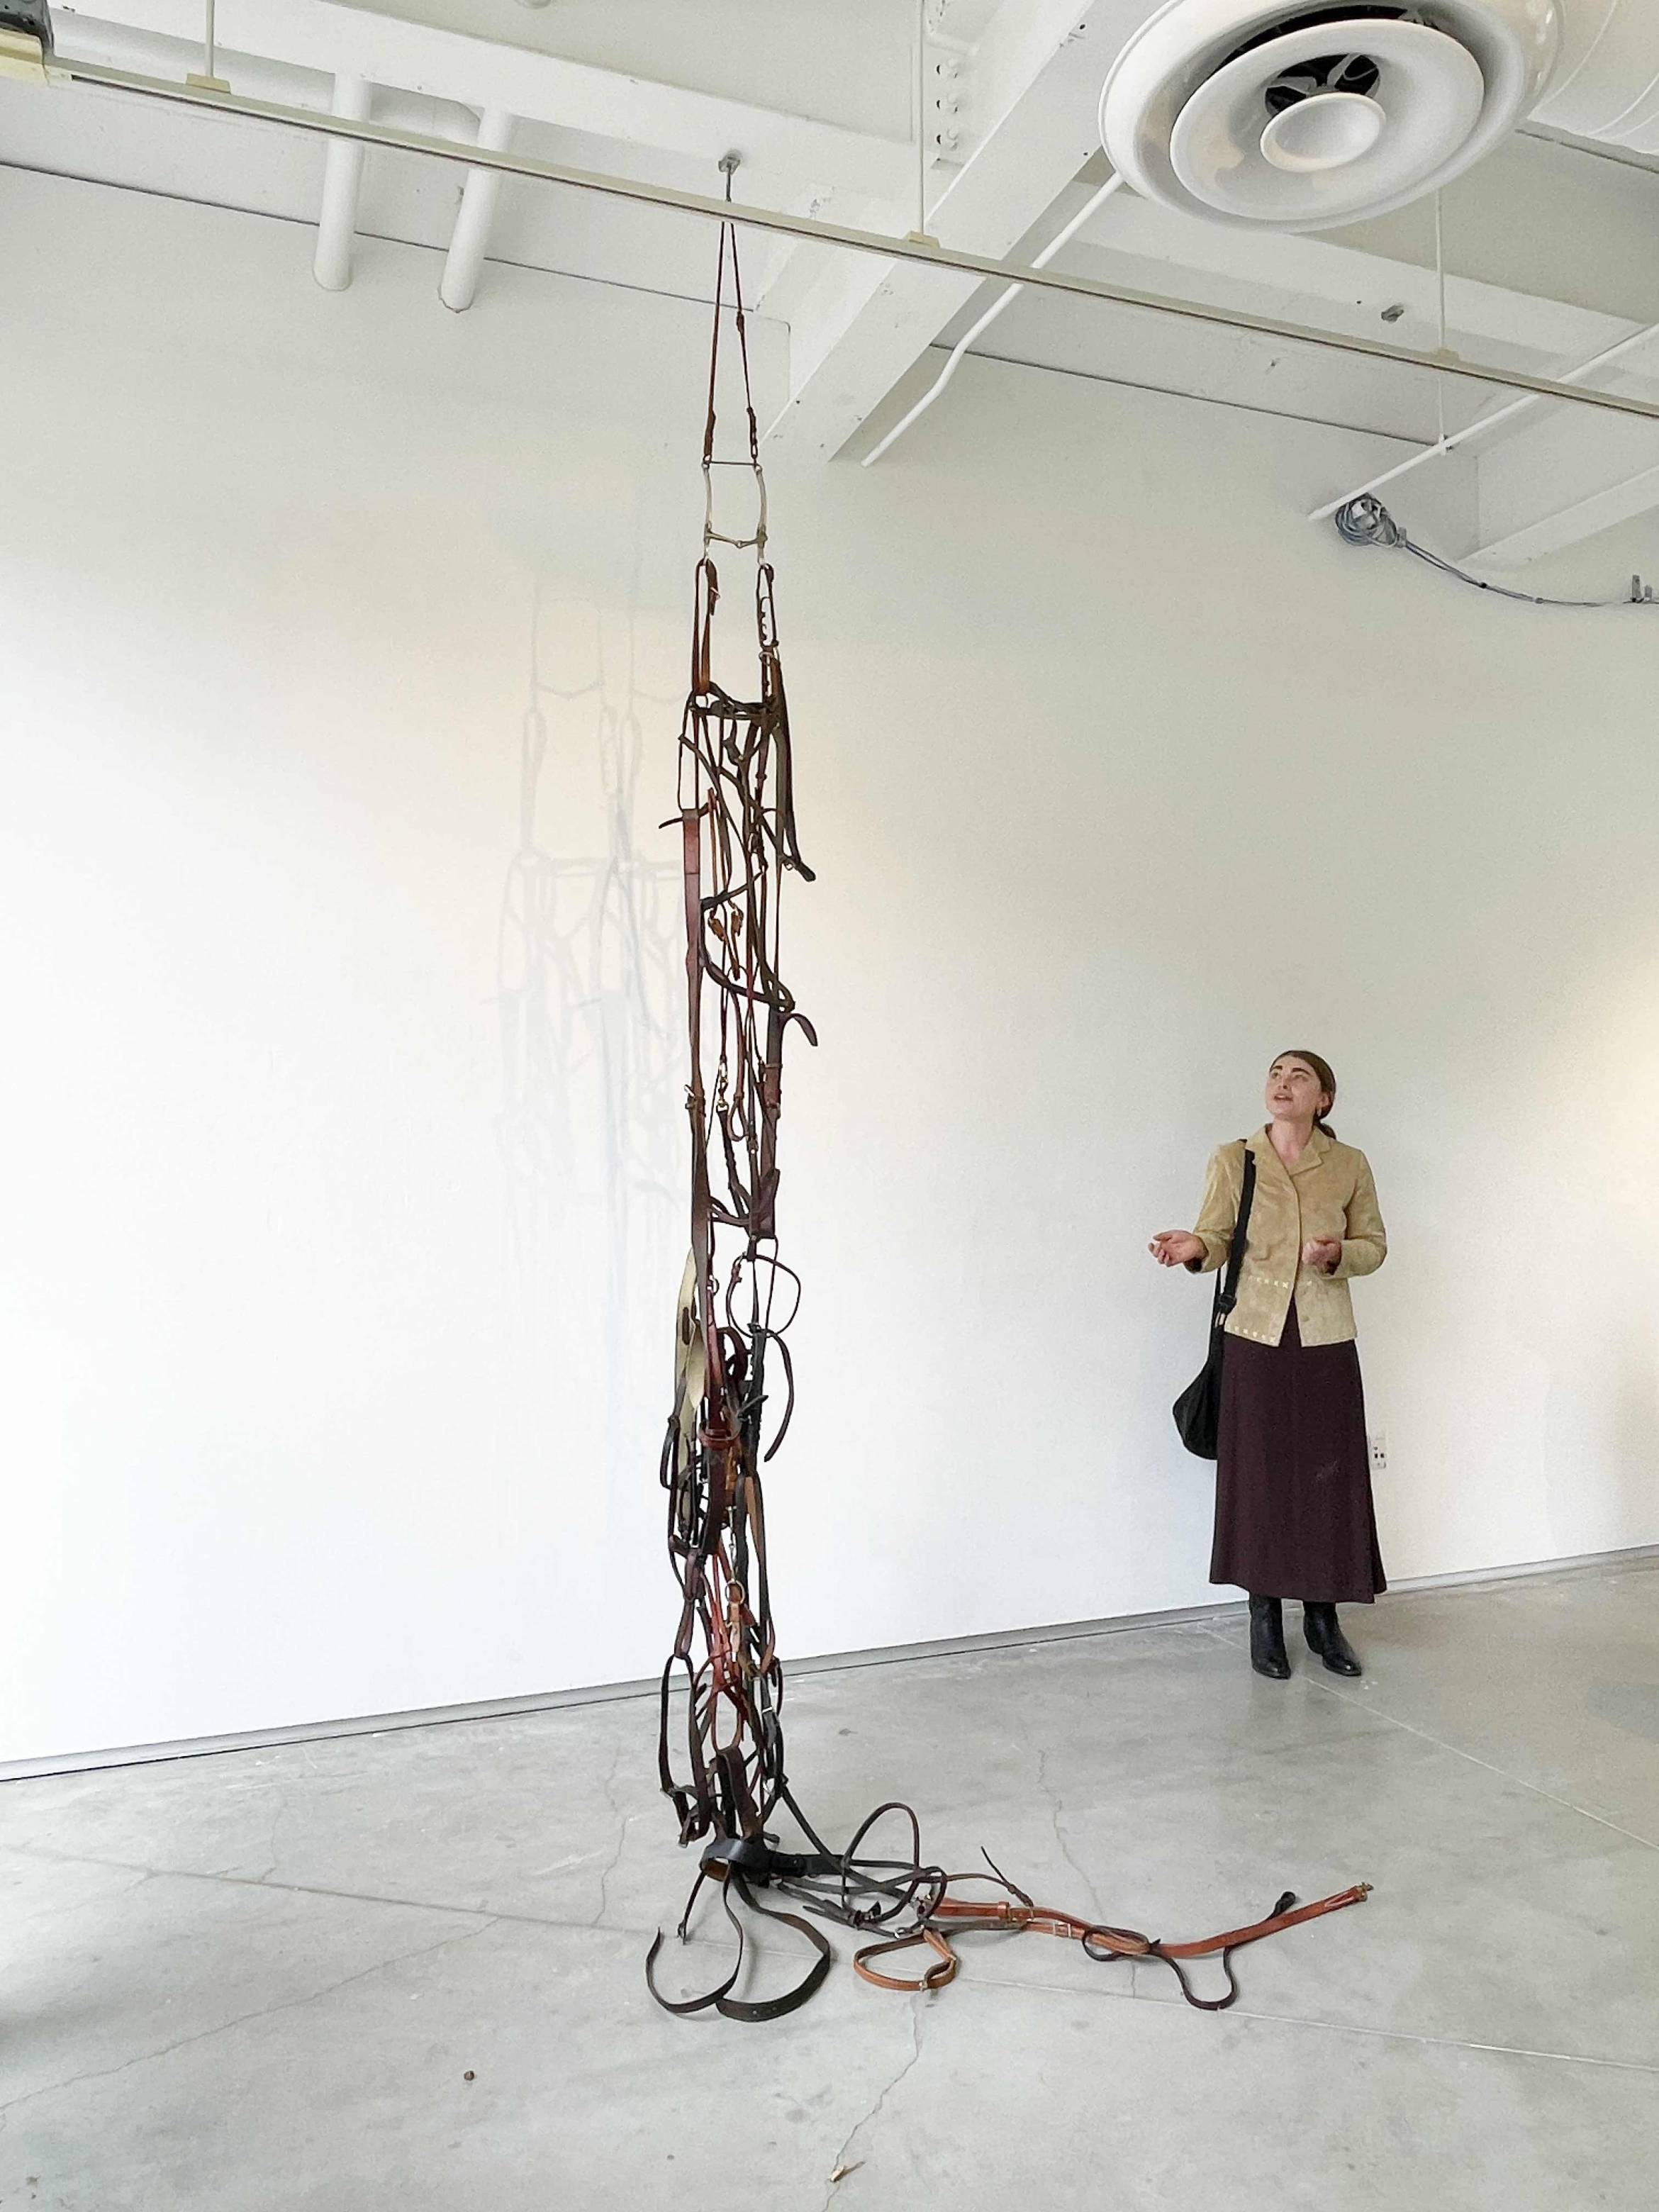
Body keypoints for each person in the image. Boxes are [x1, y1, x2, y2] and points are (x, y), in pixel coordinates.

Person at [1149, 1051, 1387, 1680]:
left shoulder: (1350, 1164)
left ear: (1324, 1099)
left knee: (1328, 1479)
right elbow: (1218, 1234)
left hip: (1326, 1338)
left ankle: (1323, 1618)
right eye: (1276, 1074)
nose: (1283, 1083)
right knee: (1257, 1480)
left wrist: (1340, 1253)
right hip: (1253, 1336)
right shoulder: (1236, 1158)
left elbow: (1375, 1245)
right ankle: (1263, 1616)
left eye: (1299, 1076)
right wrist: (1196, 1246)